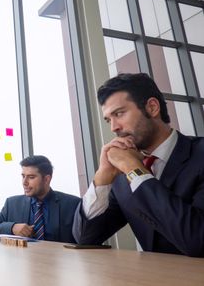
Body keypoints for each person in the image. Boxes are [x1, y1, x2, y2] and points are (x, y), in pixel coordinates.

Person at [73, 73, 204, 256]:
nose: (113, 127)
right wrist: (102, 177)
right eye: (108, 119)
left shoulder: (199, 155)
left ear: (152, 107)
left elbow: (198, 241)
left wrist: (135, 171)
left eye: (119, 114)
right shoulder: (121, 175)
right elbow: (85, 238)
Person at [0, 155, 80, 243]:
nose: (24, 182)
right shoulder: (12, 204)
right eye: (23, 176)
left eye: (31, 177)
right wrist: (12, 228)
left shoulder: (72, 204)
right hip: (22, 260)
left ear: (46, 179)